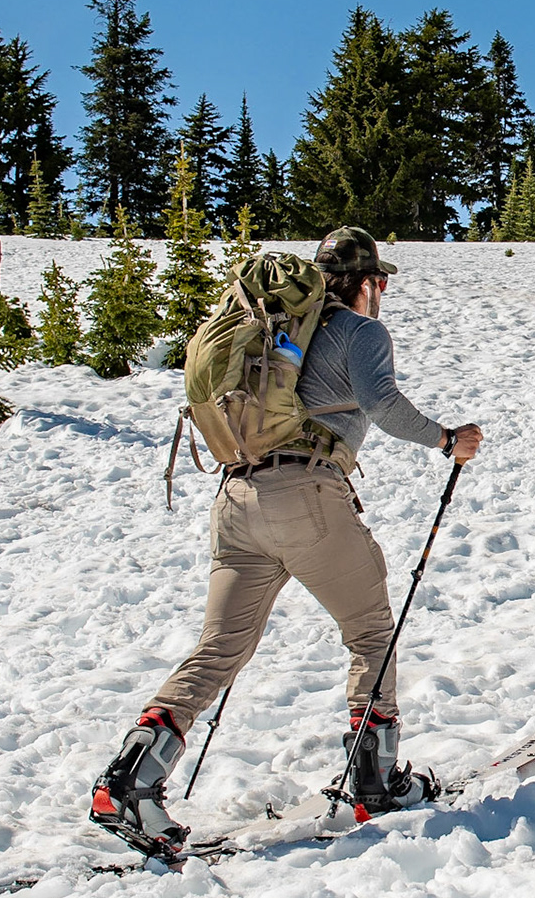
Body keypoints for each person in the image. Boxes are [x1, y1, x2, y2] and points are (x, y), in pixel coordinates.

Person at [91, 227, 483, 854]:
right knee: (372, 634)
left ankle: (128, 783)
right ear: (364, 282)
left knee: (219, 648)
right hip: (306, 497)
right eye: (380, 281)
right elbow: (381, 405)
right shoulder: (360, 332)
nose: (382, 294)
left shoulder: (277, 335)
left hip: (236, 499)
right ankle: (375, 781)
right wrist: (445, 438)